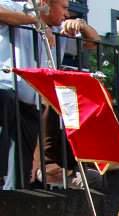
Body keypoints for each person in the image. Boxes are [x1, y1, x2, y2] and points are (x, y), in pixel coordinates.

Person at [0, 0, 95, 189]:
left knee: (19, 170)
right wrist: (35, 21)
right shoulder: (18, 9)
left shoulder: (60, 31)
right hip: (5, 91)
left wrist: (82, 26)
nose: (67, 14)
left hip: (30, 104)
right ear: (44, 3)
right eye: (64, 7)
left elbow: (93, 44)